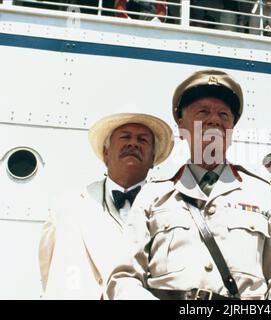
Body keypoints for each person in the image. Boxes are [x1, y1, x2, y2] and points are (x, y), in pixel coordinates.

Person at [107, 69, 271, 300]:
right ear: (181, 126)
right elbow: (124, 277)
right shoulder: (154, 193)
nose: (214, 120)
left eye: (224, 114)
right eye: (203, 112)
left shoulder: (259, 192)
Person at [38, 112, 174, 299]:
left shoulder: (171, 209)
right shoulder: (66, 206)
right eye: (125, 137)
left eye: (143, 140)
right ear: (106, 153)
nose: (133, 143)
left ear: (153, 159)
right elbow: (48, 269)